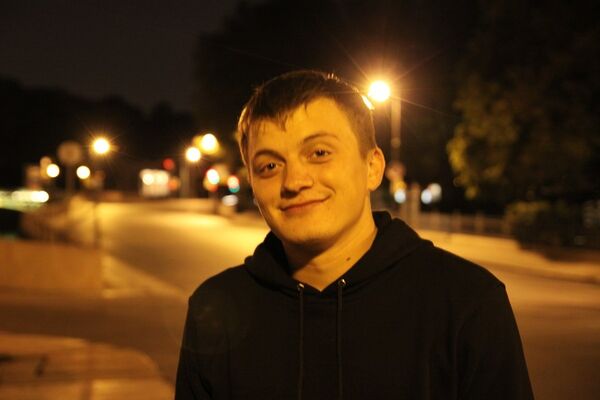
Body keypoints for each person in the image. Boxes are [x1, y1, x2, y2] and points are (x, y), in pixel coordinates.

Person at [175, 70, 533, 399]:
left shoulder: (466, 302)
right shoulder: (216, 310)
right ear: (253, 186)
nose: (295, 181)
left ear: (372, 167)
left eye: (319, 153)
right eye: (269, 166)